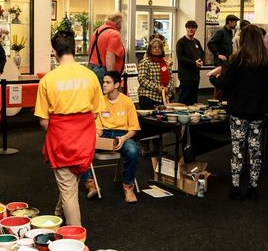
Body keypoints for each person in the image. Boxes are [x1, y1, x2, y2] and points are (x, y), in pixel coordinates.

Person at [35, 29, 103, 225]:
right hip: (84, 140)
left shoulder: (48, 79)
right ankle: (58, 216)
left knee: (68, 189)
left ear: (55, 53)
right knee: (69, 184)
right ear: (75, 49)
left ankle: (76, 240)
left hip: (61, 140)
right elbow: (96, 113)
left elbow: (43, 120)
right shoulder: (90, 76)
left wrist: (60, 133)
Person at [210, 24, 268, 200]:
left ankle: (236, 186)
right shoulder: (267, 59)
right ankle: (253, 187)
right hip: (259, 111)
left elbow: (225, 84)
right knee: (255, 150)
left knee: (237, 150)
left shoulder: (237, 58)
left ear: (243, 39)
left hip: (239, 111)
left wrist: (212, 78)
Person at [80, 71, 141, 203]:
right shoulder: (100, 101)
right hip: (106, 134)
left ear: (117, 84)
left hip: (123, 134)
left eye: (108, 82)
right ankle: (90, 183)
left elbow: (134, 128)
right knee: (82, 147)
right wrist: (96, 136)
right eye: (104, 82)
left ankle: (128, 186)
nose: (104, 85)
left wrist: (123, 138)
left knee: (133, 150)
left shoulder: (127, 102)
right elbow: (99, 128)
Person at [137, 35, 178, 109]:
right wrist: (156, 87)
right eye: (154, 47)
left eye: (159, 47)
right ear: (150, 49)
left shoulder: (165, 63)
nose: (157, 49)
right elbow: (141, 79)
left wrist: (167, 88)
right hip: (148, 96)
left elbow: (171, 78)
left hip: (164, 96)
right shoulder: (145, 62)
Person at [87, 12, 126, 81]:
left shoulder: (96, 31)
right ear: (118, 23)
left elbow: (90, 51)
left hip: (91, 69)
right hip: (103, 72)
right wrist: (111, 78)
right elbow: (110, 56)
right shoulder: (114, 34)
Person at [175, 20, 204, 105]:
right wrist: (193, 63)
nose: (191, 30)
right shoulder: (181, 42)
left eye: (193, 28)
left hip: (195, 75)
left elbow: (202, 53)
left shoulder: (196, 42)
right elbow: (180, 58)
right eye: (189, 28)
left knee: (194, 98)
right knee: (184, 97)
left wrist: (201, 61)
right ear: (186, 29)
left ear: (195, 29)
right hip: (185, 75)